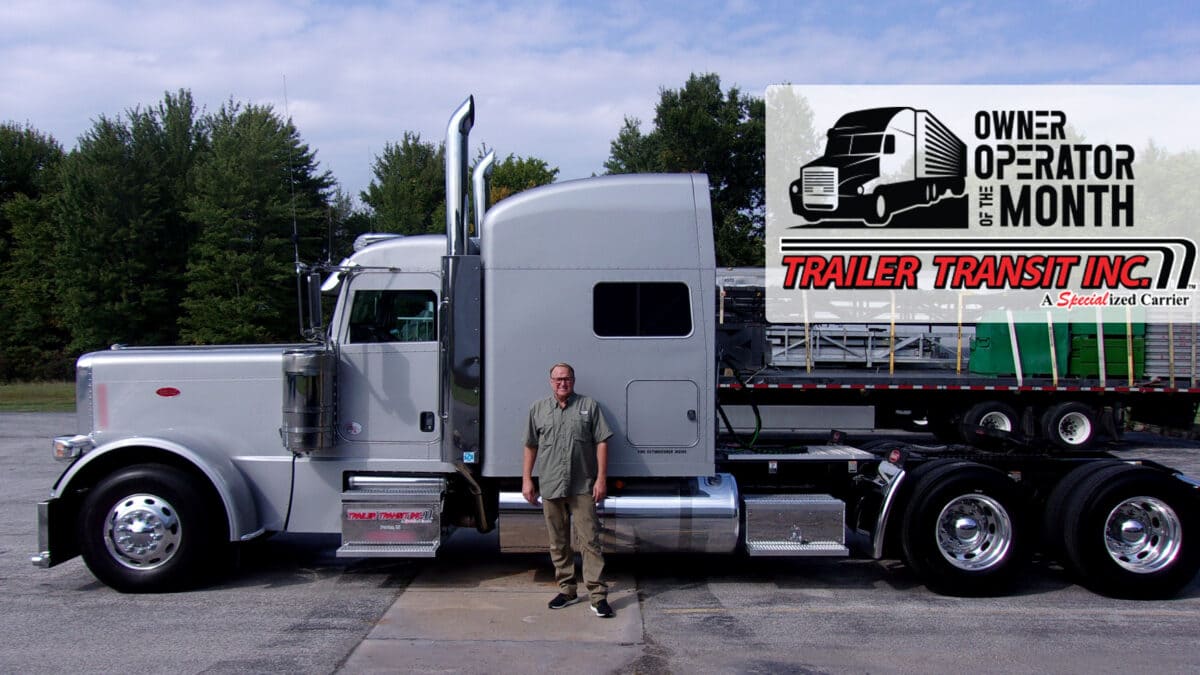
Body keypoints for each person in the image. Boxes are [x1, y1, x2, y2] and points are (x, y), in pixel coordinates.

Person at [522, 362, 615, 618]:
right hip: (551, 485)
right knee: (558, 542)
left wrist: (601, 479)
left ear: (573, 380)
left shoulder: (589, 407)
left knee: (590, 541)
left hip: (582, 485)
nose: (562, 382)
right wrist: (527, 479)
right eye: (558, 379)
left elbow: (602, 442)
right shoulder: (538, 409)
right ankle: (567, 590)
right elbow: (531, 445)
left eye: (567, 378)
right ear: (551, 382)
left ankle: (597, 596)